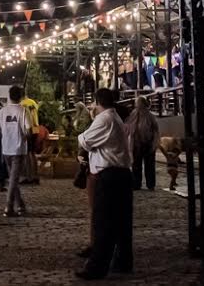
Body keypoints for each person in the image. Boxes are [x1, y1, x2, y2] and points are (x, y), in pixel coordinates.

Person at [75, 88, 134, 280]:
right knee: (121, 223)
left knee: (103, 222)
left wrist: (84, 132)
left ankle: (97, 267)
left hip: (109, 175)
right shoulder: (114, 117)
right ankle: (123, 261)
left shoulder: (104, 119)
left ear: (97, 102)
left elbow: (85, 141)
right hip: (121, 174)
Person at [0, 85, 31, 217]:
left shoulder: (3, 111)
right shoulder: (23, 111)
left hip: (6, 148)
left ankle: (20, 205)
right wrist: (25, 136)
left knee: (13, 178)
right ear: (21, 97)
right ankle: (9, 206)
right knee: (13, 178)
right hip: (18, 149)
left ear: (9, 96)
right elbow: (28, 131)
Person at [125, 96, 159, 190]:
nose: (137, 105)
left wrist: (155, 142)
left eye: (138, 103)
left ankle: (150, 184)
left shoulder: (150, 116)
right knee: (136, 165)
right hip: (137, 143)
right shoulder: (134, 114)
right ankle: (136, 184)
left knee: (149, 165)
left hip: (148, 142)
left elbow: (155, 130)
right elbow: (128, 126)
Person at [20, 92, 40, 185]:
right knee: (33, 153)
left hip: (28, 129)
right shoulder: (33, 102)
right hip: (36, 129)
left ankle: (29, 177)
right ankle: (35, 176)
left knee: (27, 153)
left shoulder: (22, 103)